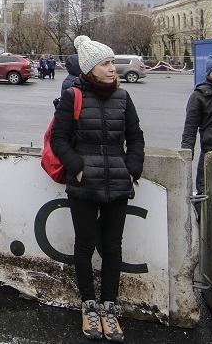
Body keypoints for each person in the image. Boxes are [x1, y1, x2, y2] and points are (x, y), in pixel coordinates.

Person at [50, 35, 144, 343]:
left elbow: (136, 137)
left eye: (112, 62)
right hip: (84, 183)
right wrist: (77, 168)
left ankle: (109, 307)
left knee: (113, 248)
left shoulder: (124, 97)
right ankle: (88, 305)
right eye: (105, 63)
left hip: (117, 181)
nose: (112, 68)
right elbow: (59, 139)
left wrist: (132, 171)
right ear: (91, 69)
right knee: (85, 245)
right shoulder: (72, 96)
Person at [181, 54, 212, 204]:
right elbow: (190, 129)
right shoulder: (198, 96)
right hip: (210, 153)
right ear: (209, 73)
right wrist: (186, 155)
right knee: (205, 194)